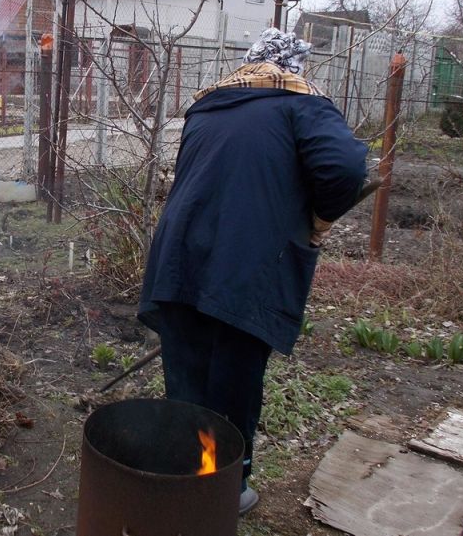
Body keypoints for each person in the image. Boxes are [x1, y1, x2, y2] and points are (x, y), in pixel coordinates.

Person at [137, 28, 368, 515]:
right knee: (235, 379)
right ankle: (225, 489)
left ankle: (187, 473)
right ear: (293, 70)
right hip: (245, 265)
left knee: (186, 373)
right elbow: (346, 170)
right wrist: (318, 219)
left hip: (178, 256)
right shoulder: (302, 106)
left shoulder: (207, 107)